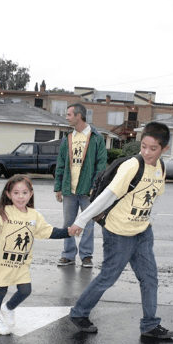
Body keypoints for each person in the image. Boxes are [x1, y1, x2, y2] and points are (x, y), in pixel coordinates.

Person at [68, 122, 173, 339]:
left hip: (142, 232)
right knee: (109, 276)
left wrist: (150, 221)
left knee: (150, 278)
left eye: (153, 148)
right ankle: (79, 313)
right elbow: (107, 196)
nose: (146, 152)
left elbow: (155, 197)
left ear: (164, 149)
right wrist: (81, 220)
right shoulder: (132, 166)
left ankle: (150, 325)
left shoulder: (161, 168)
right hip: (118, 232)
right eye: (143, 146)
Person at [0, 175, 74, 335]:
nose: (20, 196)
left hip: (22, 263)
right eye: (16, 193)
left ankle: (8, 308)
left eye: (24, 192)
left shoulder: (34, 216)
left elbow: (49, 231)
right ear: (8, 195)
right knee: (0, 291)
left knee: (25, 290)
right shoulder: (4, 212)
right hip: (4, 262)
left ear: (31, 194)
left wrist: (68, 232)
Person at [54, 103, 107, 268]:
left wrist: (96, 187)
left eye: (69, 114)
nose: (67, 117)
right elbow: (61, 163)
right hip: (69, 188)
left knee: (89, 223)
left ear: (78, 116)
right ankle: (68, 255)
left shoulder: (96, 138)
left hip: (88, 190)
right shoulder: (68, 138)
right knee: (68, 223)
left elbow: (101, 166)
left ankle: (86, 256)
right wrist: (58, 187)